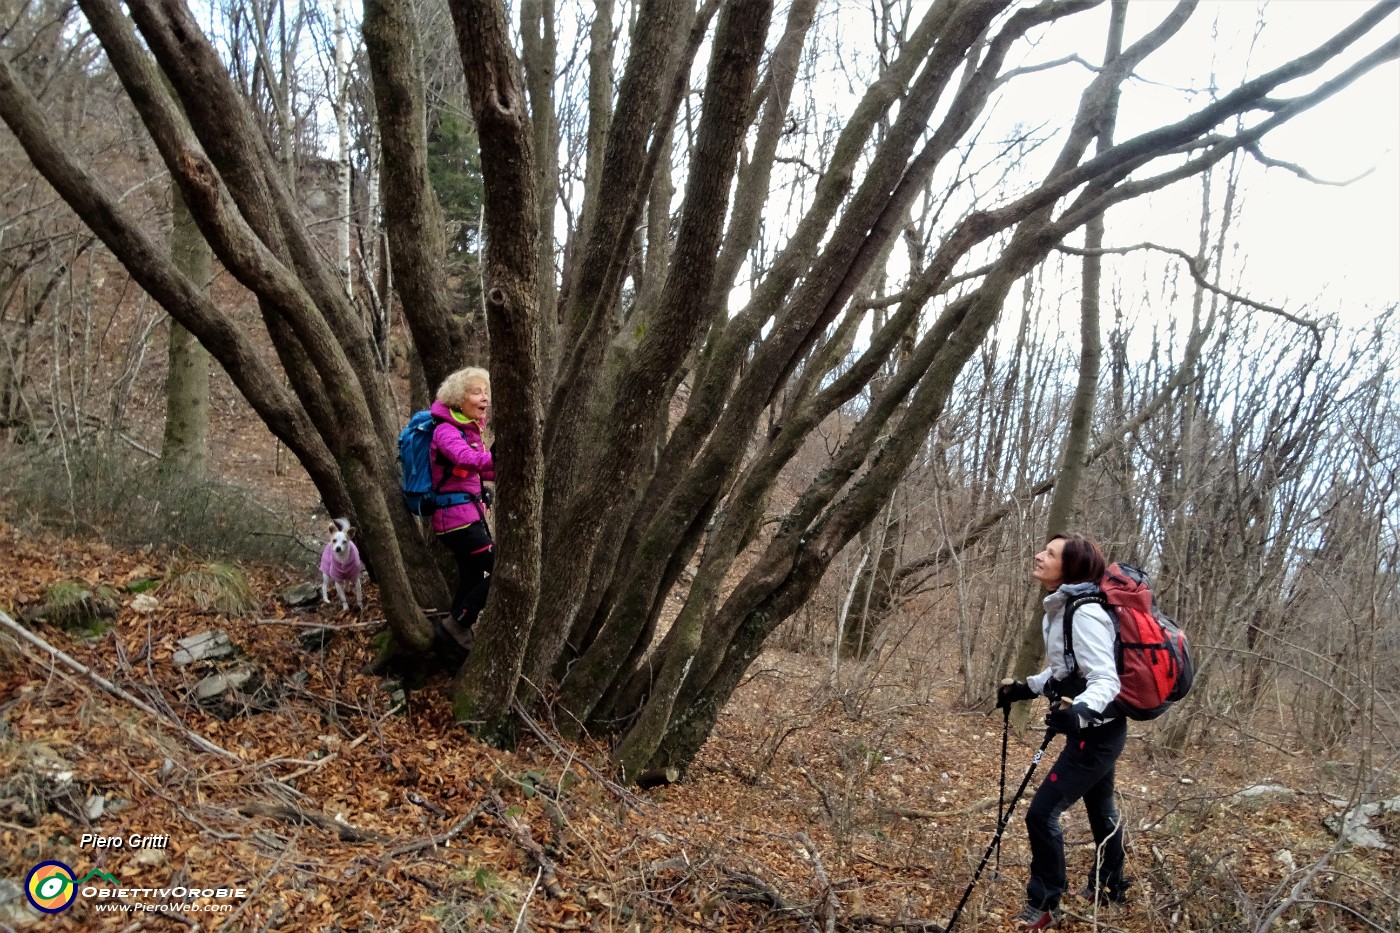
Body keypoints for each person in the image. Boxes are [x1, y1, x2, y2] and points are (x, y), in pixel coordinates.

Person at [997, 532, 1129, 930]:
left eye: (1050, 554)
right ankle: (1110, 886)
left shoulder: (1084, 613)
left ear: (1069, 567)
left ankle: (1045, 903)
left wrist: (1079, 715)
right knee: (1101, 810)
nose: (1039, 556)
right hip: (1098, 730)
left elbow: (1106, 680)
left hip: (1097, 734)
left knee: (1041, 814)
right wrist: (1027, 688)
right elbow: (1064, 669)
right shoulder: (1061, 607)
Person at [429, 367, 495, 651]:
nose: (485, 398)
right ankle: (457, 623)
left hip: (466, 517)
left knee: (470, 576)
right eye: (477, 392)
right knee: (502, 570)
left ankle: (450, 644)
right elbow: (466, 459)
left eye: (486, 392)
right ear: (459, 398)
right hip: (456, 522)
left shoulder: (469, 429)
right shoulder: (446, 429)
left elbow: (478, 469)